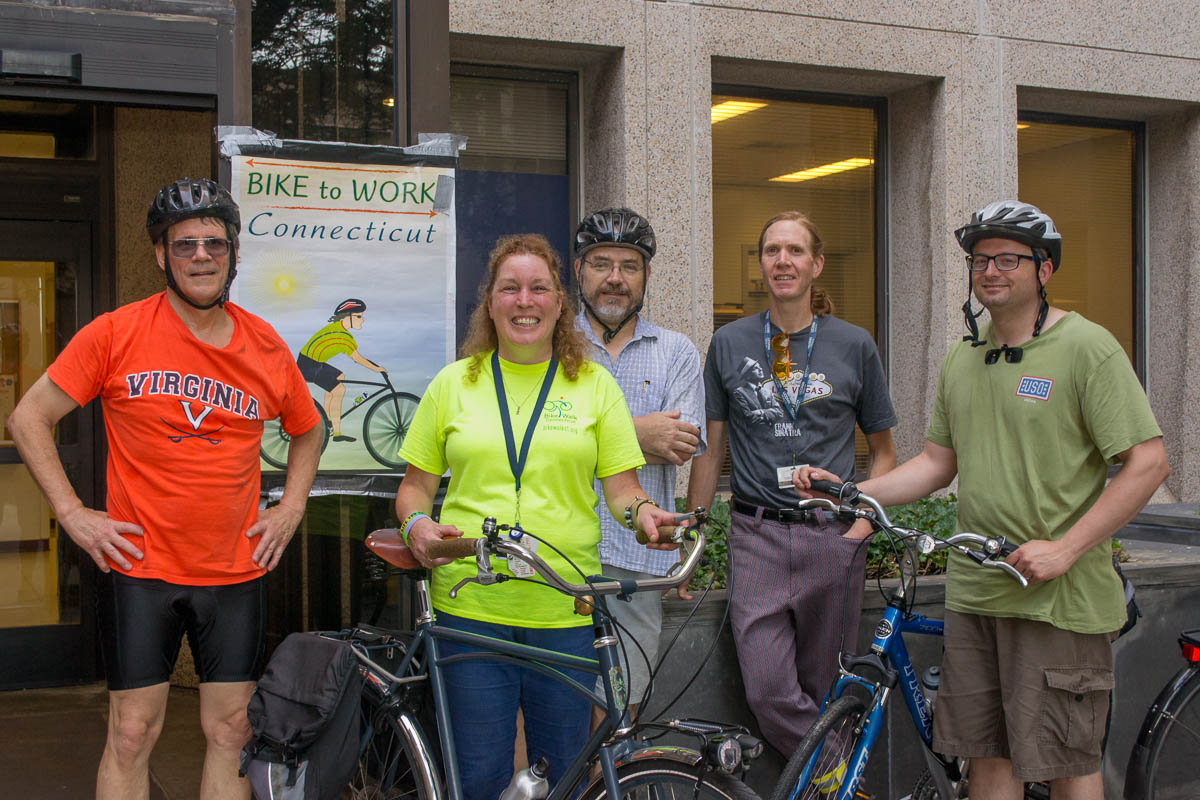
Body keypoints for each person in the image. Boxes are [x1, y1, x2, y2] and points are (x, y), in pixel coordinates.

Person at [799, 200, 1169, 799]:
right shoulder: (963, 357)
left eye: (1007, 259)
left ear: (1044, 270)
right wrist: (847, 491)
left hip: (1057, 601)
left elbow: (1148, 463)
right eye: (979, 259)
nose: (989, 270)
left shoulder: (1087, 349)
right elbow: (936, 465)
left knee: (1066, 763)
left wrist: (1066, 549)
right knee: (985, 760)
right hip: (976, 595)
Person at [7, 177, 322, 800]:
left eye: (214, 243)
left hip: (234, 569)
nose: (200, 256)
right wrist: (72, 514)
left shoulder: (264, 344)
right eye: (184, 246)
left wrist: (290, 507)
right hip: (139, 567)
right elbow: (27, 418)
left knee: (232, 729)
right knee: (130, 732)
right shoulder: (115, 333)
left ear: (233, 254)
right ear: (161, 256)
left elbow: (308, 431)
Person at [394, 233, 683, 800]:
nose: (524, 300)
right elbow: (413, 490)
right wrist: (417, 527)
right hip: (470, 609)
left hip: (565, 610)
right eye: (510, 288)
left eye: (538, 288)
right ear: (490, 303)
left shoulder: (595, 386)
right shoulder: (453, 384)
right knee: (478, 779)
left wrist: (648, 516)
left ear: (558, 303)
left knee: (564, 778)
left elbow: (623, 490)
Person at [685, 210, 898, 759]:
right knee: (769, 691)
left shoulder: (854, 345)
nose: (783, 260)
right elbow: (711, 450)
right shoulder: (729, 343)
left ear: (816, 264)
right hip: (755, 536)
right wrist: (694, 539)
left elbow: (884, 452)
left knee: (831, 691)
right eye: (772, 250)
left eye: (795, 251)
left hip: (832, 538)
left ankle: (828, 788)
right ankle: (841, 776)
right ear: (760, 264)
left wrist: (862, 524)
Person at [572, 208, 705, 717]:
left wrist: (584, 433)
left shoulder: (675, 351)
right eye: (601, 263)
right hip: (558, 549)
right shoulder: (551, 346)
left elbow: (680, 443)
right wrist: (640, 431)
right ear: (580, 270)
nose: (614, 279)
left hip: (638, 559)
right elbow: (535, 436)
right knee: (554, 706)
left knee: (621, 710)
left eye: (629, 266)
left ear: (647, 275)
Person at [297, 297, 387, 442]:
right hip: (309, 365)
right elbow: (357, 358)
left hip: (312, 362)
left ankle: (327, 423)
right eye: (358, 316)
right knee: (339, 390)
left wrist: (375, 367)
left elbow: (357, 356)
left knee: (339, 376)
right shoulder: (342, 335)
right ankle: (333, 430)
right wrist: (377, 369)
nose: (362, 320)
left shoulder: (339, 330)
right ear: (347, 317)